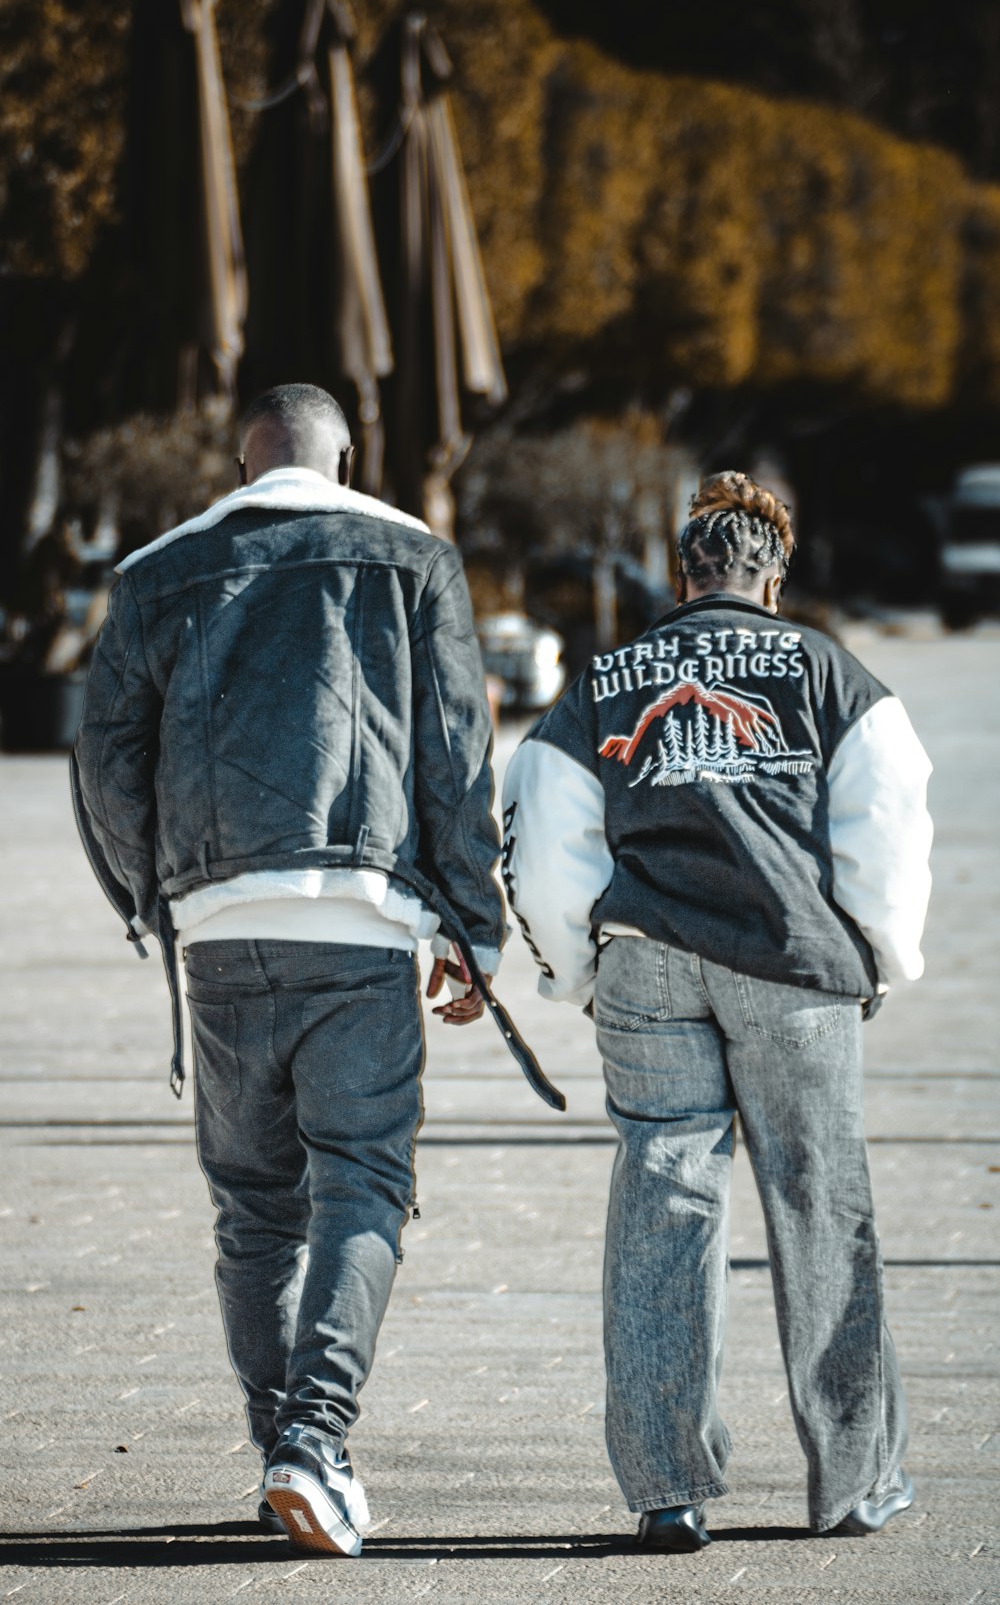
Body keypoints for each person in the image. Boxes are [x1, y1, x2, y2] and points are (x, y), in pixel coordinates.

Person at [72, 383, 529, 1556]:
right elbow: (454, 751)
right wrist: (472, 928)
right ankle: (313, 1442)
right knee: (362, 1184)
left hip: (219, 923)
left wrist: (152, 894)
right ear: (347, 455)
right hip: (365, 918)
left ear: (241, 462)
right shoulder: (413, 554)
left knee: (253, 1210)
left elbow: (107, 755)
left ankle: (288, 1443)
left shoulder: (156, 570)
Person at [501, 470, 932, 1550]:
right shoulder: (829, 671)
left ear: (685, 571)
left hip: (647, 957)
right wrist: (879, 956)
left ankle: (665, 1487)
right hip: (790, 962)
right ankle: (852, 1480)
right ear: (772, 578)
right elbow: (885, 823)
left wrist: (572, 967)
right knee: (819, 1203)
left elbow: (545, 824)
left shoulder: (611, 674)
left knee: (661, 1201)